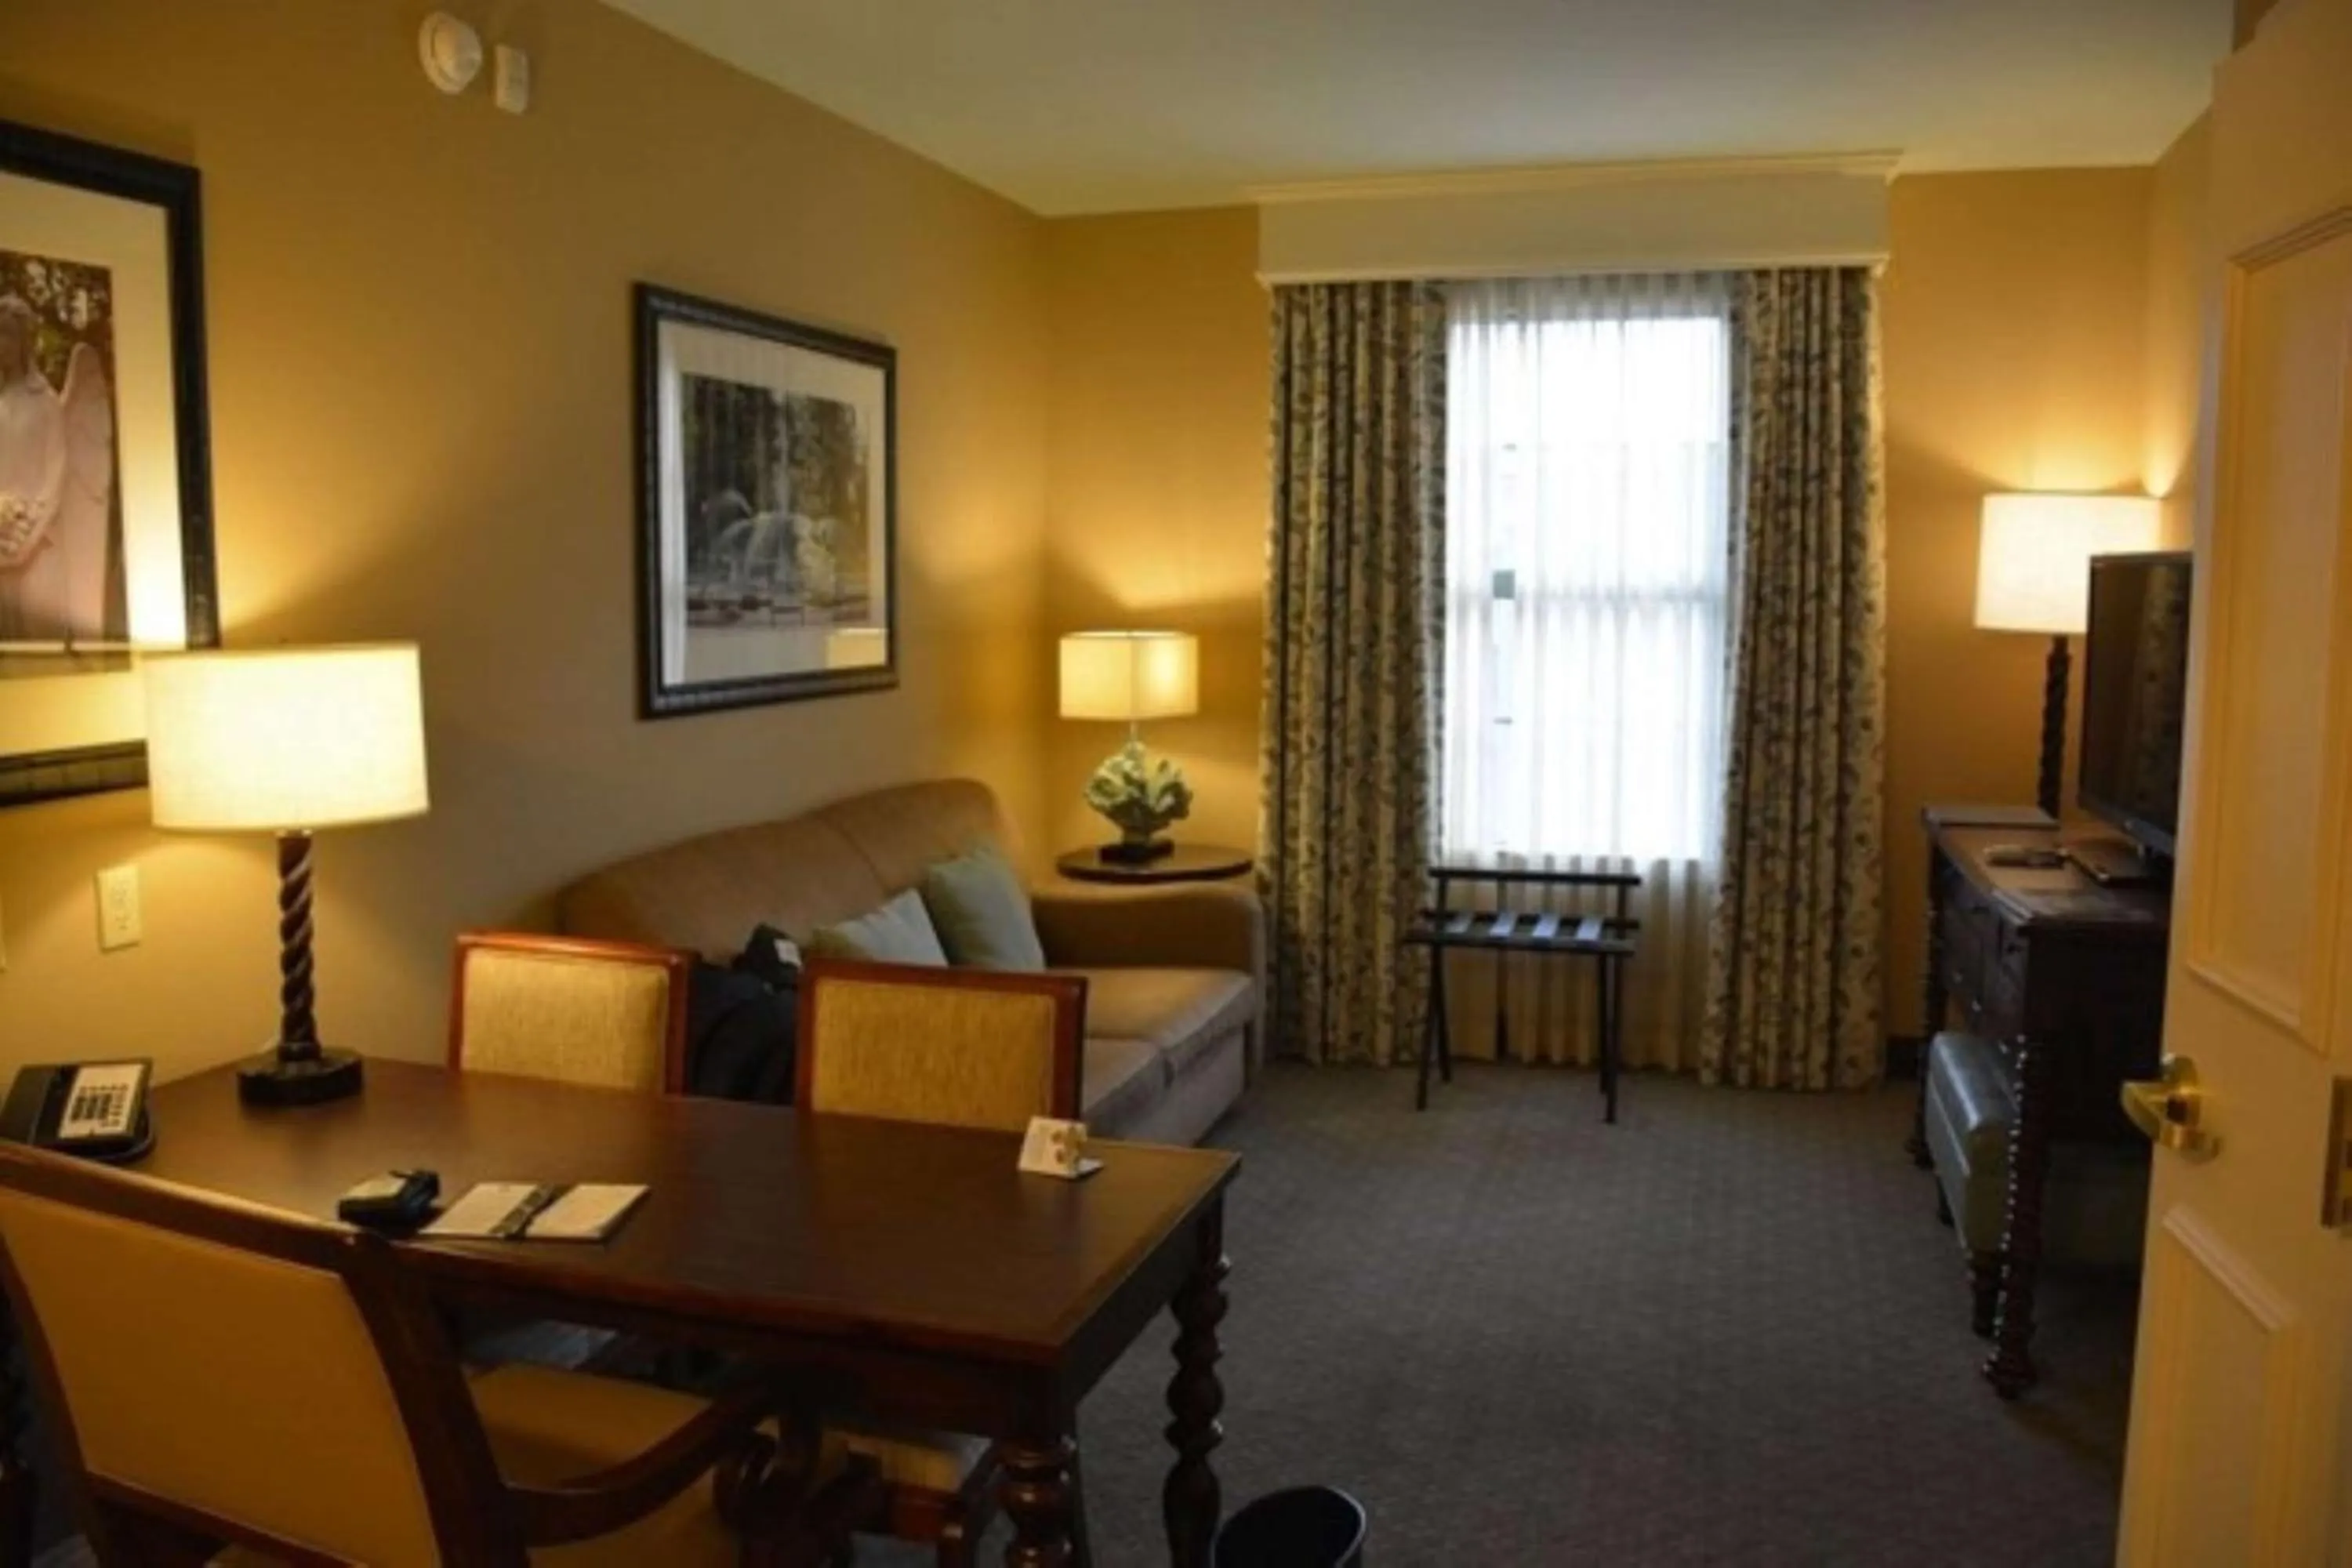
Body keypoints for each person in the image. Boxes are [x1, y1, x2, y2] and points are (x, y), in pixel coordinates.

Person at [0, 292, 68, 643]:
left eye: (8, 334)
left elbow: (57, 472)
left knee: (36, 638)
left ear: (25, 341)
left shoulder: (45, 402)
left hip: (37, 544)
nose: (2, 344)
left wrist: (29, 532)